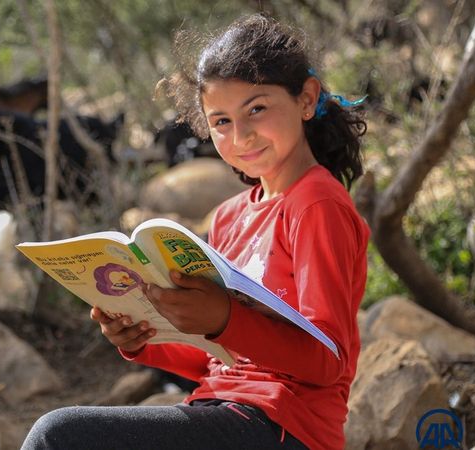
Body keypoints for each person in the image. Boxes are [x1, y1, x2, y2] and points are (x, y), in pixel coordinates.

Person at [22, 13, 369, 450]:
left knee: (58, 436)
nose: (240, 135)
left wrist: (225, 318)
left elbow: (327, 360)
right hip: (220, 409)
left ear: (306, 99)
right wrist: (141, 340)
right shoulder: (228, 216)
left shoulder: (316, 203)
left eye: (256, 109)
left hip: (286, 425)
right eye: (221, 121)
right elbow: (218, 358)